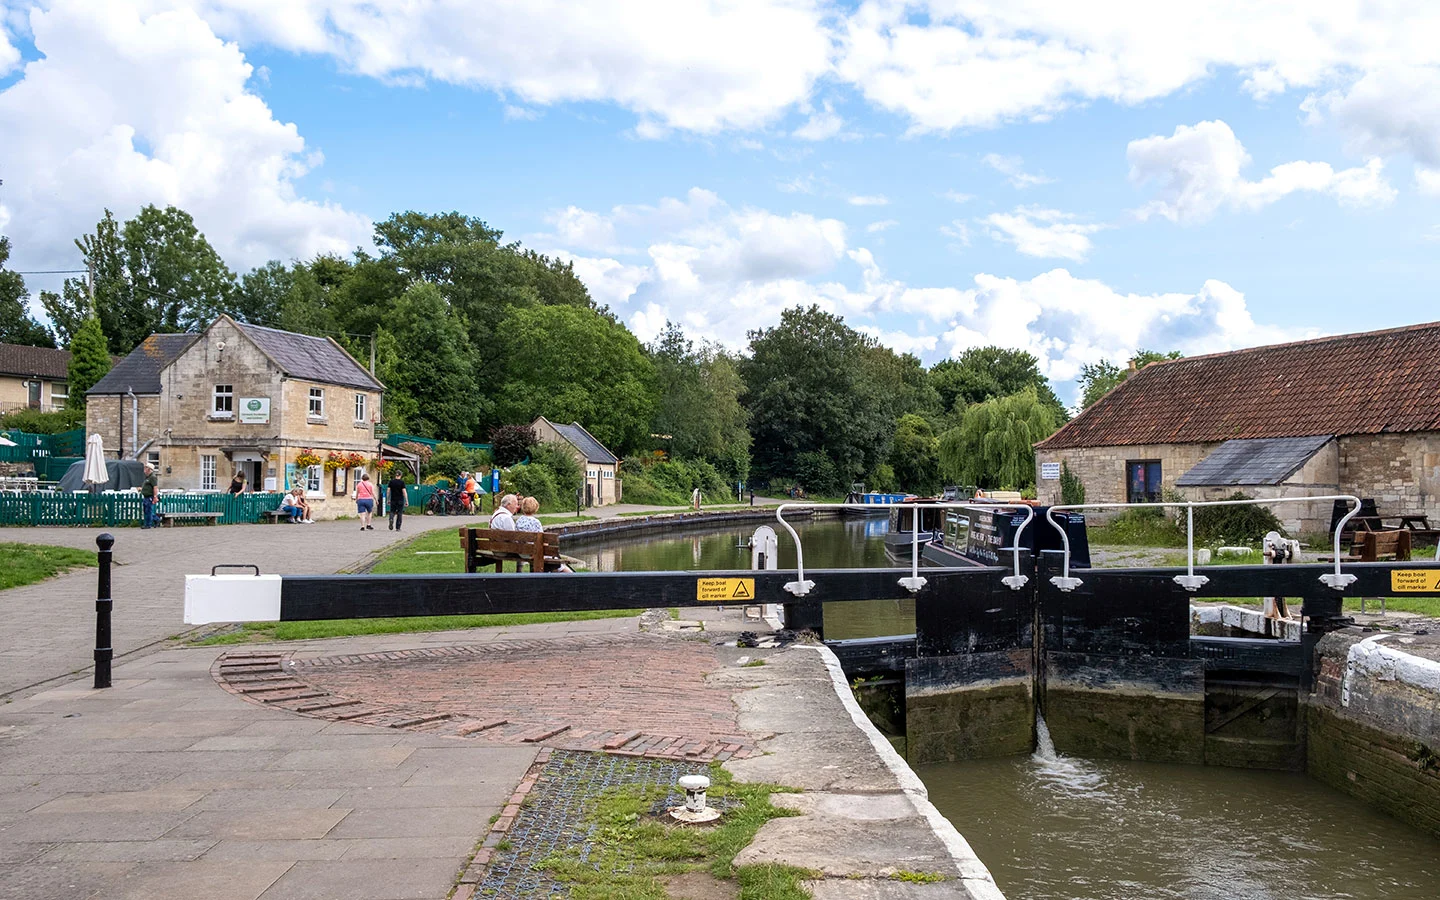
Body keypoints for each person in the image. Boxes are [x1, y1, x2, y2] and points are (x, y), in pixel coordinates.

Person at [140, 463, 158, 528]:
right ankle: (156, 519)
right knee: (146, 510)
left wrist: (155, 496)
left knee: (149, 510)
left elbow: (155, 487)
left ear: (149, 469)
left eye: (146, 468)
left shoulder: (153, 477)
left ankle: (148, 525)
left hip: (150, 496)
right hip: (145, 496)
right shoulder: (147, 477)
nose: (144, 469)